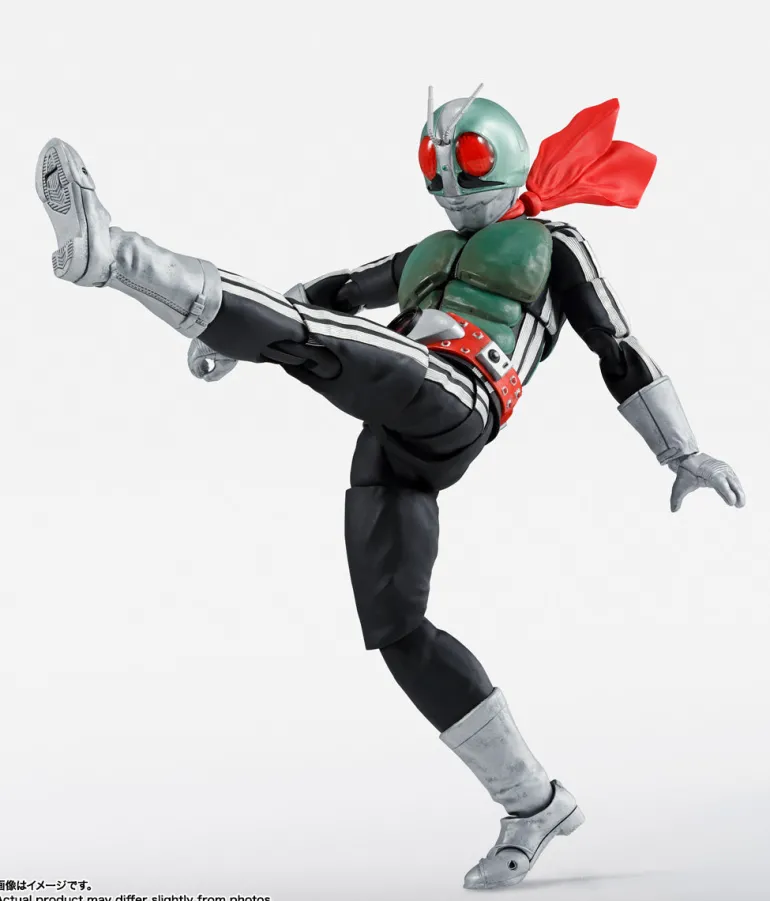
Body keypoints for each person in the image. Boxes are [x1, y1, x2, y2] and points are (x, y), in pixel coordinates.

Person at [36, 87, 745, 891]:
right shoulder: (425, 252)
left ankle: (118, 257)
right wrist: (235, 340)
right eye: (435, 166)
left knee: (322, 345)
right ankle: (533, 802)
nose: (450, 183)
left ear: (507, 154)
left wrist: (681, 449)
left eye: (468, 160)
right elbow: (333, 290)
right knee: (398, 628)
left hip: (460, 391)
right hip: (395, 434)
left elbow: (615, 343)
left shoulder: (553, 243)